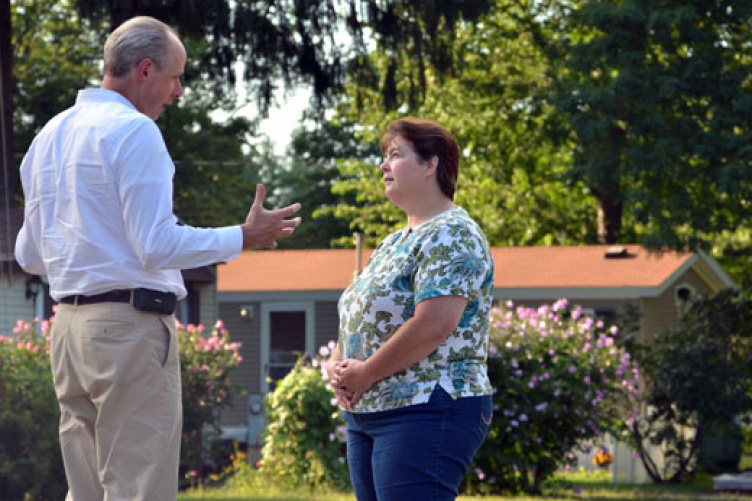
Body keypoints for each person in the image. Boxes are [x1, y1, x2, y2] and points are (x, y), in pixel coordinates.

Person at [14, 16, 301, 501]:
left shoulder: (49, 136)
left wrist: (87, 248)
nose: (180, 91)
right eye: (175, 76)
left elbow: (30, 255)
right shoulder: (135, 132)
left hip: (67, 332)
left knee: (85, 492)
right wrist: (243, 236)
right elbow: (157, 246)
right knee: (138, 489)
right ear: (145, 69)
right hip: (128, 330)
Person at [327, 117, 494, 501]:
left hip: (427, 406)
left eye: (395, 155)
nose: (383, 166)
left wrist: (366, 372)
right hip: (370, 411)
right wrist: (339, 363)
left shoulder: (453, 232)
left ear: (430, 164)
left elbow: (435, 324)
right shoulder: (393, 242)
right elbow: (357, 313)